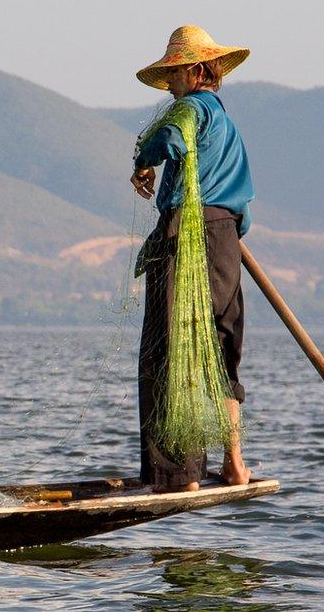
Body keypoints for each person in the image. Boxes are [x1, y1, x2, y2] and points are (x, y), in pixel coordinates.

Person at [130, 25, 254, 492]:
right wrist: (227, 234)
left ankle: (177, 476)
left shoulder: (189, 110)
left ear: (198, 70)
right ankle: (234, 463)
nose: (171, 84)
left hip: (187, 235)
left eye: (176, 73)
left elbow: (171, 142)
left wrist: (144, 158)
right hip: (225, 239)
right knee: (221, 348)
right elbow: (244, 207)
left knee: (168, 348)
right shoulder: (227, 123)